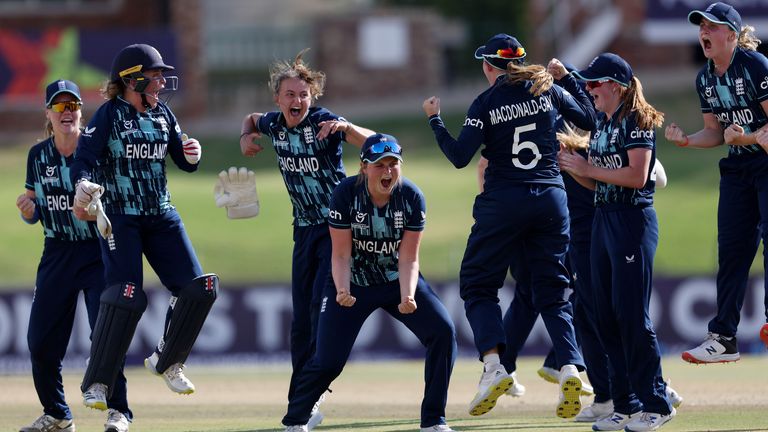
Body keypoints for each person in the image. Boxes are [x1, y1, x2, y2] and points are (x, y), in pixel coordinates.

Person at [422, 33, 596, 419]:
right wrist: (567, 79)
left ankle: (494, 367)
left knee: (478, 284)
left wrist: (435, 121)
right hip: (551, 198)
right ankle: (570, 365)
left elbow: (458, 156)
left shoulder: (485, 102)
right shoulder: (546, 88)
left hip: (503, 202)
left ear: (488, 66)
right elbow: (589, 118)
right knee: (553, 289)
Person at [69, 44, 219, 420]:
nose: (162, 82)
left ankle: (168, 361)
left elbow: (182, 161)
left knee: (200, 288)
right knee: (126, 296)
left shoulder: (163, 114)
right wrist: (84, 185)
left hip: (161, 214)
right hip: (121, 216)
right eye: (155, 76)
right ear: (132, 79)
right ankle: (97, 382)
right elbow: (83, 160)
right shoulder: (108, 116)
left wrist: (192, 154)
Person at [281, 133, 457, 432]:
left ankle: (433, 421)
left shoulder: (412, 198)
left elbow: (409, 259)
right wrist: (342, 290)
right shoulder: (346, 194)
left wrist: (408, 295)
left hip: (394, 280)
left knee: (443, 332)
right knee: (328, 361)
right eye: (379, 165)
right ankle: (295, 421)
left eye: (393, 164)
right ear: (364, 167)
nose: (388, 171)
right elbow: (339, 255)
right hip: (353, 284)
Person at [239, 49, 374, 428]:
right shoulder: (274, 124)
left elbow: (375, 143)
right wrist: (245, 137)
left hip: (337, 231)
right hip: (303, 232)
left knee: (318, 315)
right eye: (290, 95)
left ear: (312, 98)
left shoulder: (324, 121)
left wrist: (346, 128)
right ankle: (302, 400)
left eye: (303, 95)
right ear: (278, 98)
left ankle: (309, 399)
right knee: (301, 322)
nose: (297, 101)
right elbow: (251, 119)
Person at [559, 52, 674, 431]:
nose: (589, 89)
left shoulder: (637, 120)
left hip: (631, 222)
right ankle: (625, 404)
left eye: (595, 83)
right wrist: (575, 168)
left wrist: (587, 167)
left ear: (616, 86)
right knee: (602, 314)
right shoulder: (604, 122)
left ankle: (657, 402)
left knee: (630, 317)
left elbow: (639, 176)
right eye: (588, 83)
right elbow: (601, 180)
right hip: (603, 220)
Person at [17, 79, 131, 432]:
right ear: (48, 114)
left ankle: (119, 411)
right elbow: (37, 207)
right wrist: (28, 210)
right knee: (40, 340)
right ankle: (57, 414)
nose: (68, 112)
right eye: (60, 106)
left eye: (74, 106)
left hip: (97, 250)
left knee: (105, 335)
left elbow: (119, 198)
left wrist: (98, 211)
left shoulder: (97, 149)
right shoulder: (38, 156)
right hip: (57, 252)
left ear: (82, 111)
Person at [665, 1, 768, 364]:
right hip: (739, 171)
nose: (704, 32)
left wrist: (750, 137)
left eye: (712, 26)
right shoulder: (705, 77)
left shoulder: (755, 66)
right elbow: (715, 132)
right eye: (701, 26)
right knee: (731, 252)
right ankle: (724, 337)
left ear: (732, 35)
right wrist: (688, 140)